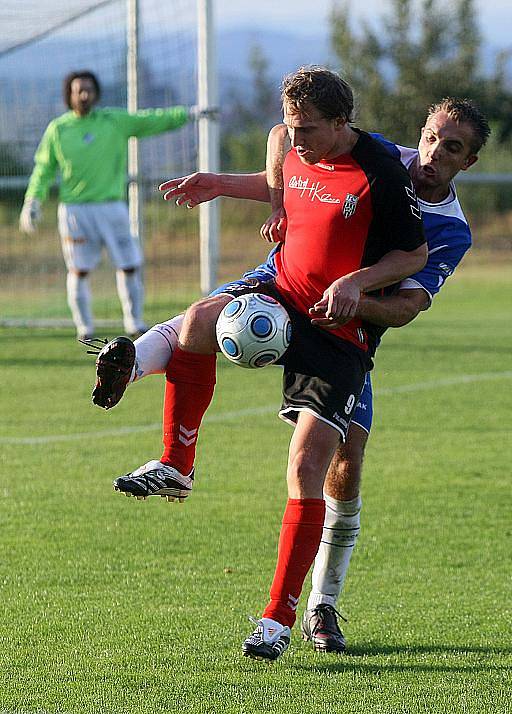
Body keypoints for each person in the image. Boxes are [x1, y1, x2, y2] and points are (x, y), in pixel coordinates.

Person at [91, 94, 489, 657]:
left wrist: (351, 295)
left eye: (452, 149)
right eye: (430, 137)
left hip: (345, 330)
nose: (433, 154)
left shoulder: (450, 231)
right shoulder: (380, 155)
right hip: (286, 279)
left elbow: (404, 307)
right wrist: (234, 186)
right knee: (201, 319)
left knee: (339, 471)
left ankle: (321, 604)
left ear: (467, 162)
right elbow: (294, 155)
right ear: (420, 132)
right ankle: (136, 374)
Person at [19, 70, 205, 340]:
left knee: (129, 264)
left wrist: (188, 114)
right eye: (78, 90)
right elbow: (43, 169)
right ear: (69, 95)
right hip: (75, 211)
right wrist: (32, 200)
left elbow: (151, 120)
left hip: (112, 207)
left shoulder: (113, 121)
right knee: (79, 270)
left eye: (89, 89)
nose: (84, 95)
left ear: (96, 93)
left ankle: (134, 322)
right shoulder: (59, 129)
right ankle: (85, 328)